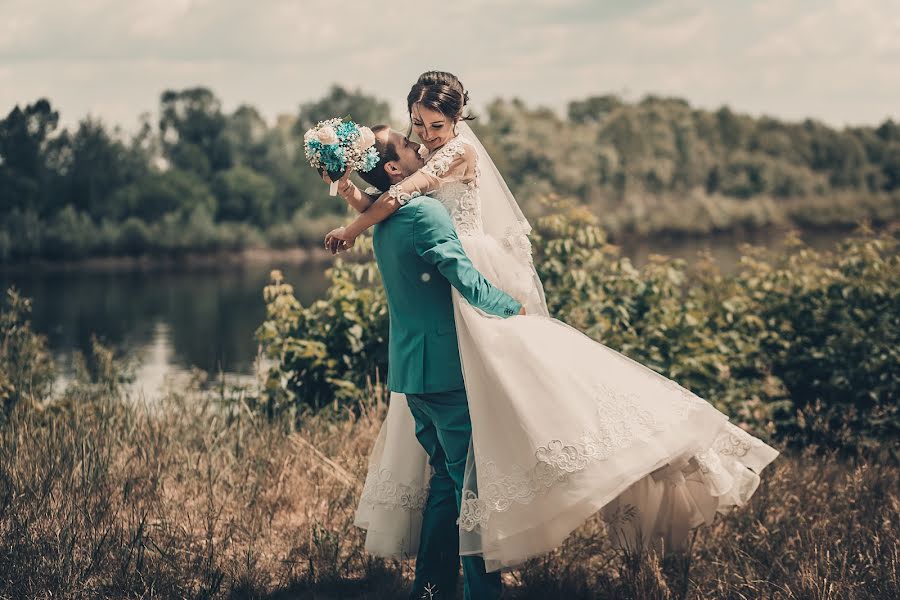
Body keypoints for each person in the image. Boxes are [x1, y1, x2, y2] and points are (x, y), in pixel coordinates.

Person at [327, 71, 779, 577]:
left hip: (471, 273)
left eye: (436, 124)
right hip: (446, 287)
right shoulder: (417, 158)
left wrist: (352, 227)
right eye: (418, 125)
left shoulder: (455, 154)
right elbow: (391, 199)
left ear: (457, 120)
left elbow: (399, 195)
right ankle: (459, 562)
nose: (427, 135)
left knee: (527, 393)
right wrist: (350, 190)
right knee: (467, 434)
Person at [332, 124, 521, 598]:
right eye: (408, 144)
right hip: (446, 374)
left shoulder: (385, 223)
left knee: (444, 484)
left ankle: (432, 590)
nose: (420, 146)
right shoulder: (425, 214)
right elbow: (463, 277)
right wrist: (511, 309)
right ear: (395, 167)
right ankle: (483, 594)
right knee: (471, 490)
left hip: (411, 377)